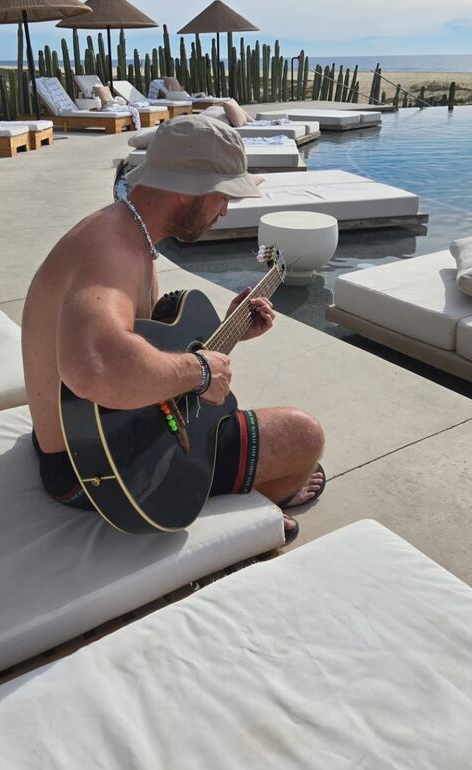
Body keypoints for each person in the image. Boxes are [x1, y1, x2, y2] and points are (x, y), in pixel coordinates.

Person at [21, 115, 325, 542]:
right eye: (223, 196)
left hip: (100, 435)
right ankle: (256, 496)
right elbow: (94, 367)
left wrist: (231, 330)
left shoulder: (127, 232)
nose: (225, 209)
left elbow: (146, 347)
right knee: (303, 436)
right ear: (187, 189)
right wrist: (200, 372)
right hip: (100, 469)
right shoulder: (110, 252)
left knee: (245, 422)